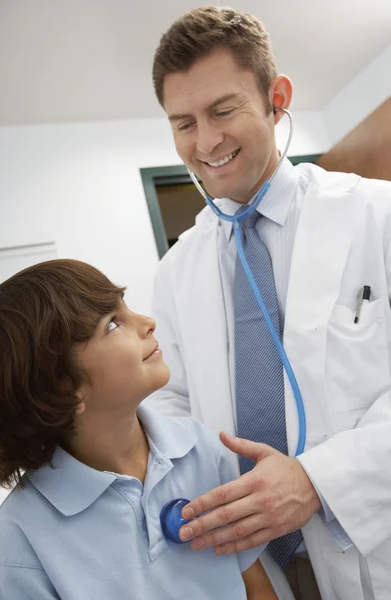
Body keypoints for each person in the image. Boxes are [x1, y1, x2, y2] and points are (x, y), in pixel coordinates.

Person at [147, 5, 391, 600]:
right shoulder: (177, 270)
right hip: (255, 568)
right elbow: (171, 405)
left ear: (276, 98)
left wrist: (318, 480)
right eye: (183, 123)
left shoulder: (375, 214)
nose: (205, 141)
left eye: (222, 110)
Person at [0, 259, 281, 600]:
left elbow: (254, 582)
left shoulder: (200, 448)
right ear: (64, 386)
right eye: (113, 324)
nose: (148, 323)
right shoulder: (19, 539)